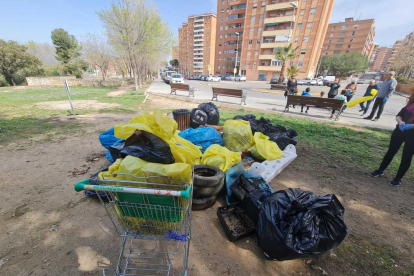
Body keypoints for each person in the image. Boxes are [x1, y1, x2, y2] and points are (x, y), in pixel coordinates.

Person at [369, 93, 414, 186]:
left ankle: (398, 178)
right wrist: (401, 122)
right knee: (391, 151)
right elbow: (399, 115)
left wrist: (412, 125)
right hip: (400, 131)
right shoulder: (410, 105)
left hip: (412, 135)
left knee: (407, 156)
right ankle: (380, 170)